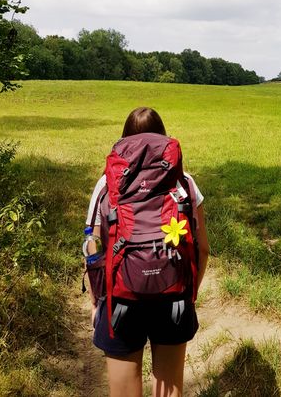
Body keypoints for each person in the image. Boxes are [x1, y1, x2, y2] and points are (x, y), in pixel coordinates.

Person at [84, 107, 209, 397]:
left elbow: (92, 247)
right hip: (174, 298)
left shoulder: (107, 183)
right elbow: (202, 249)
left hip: (120, 300)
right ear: (163, 137)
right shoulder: (185, 182)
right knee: (170, 388)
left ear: (125, 139)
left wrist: (96, 303)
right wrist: (190, 293)